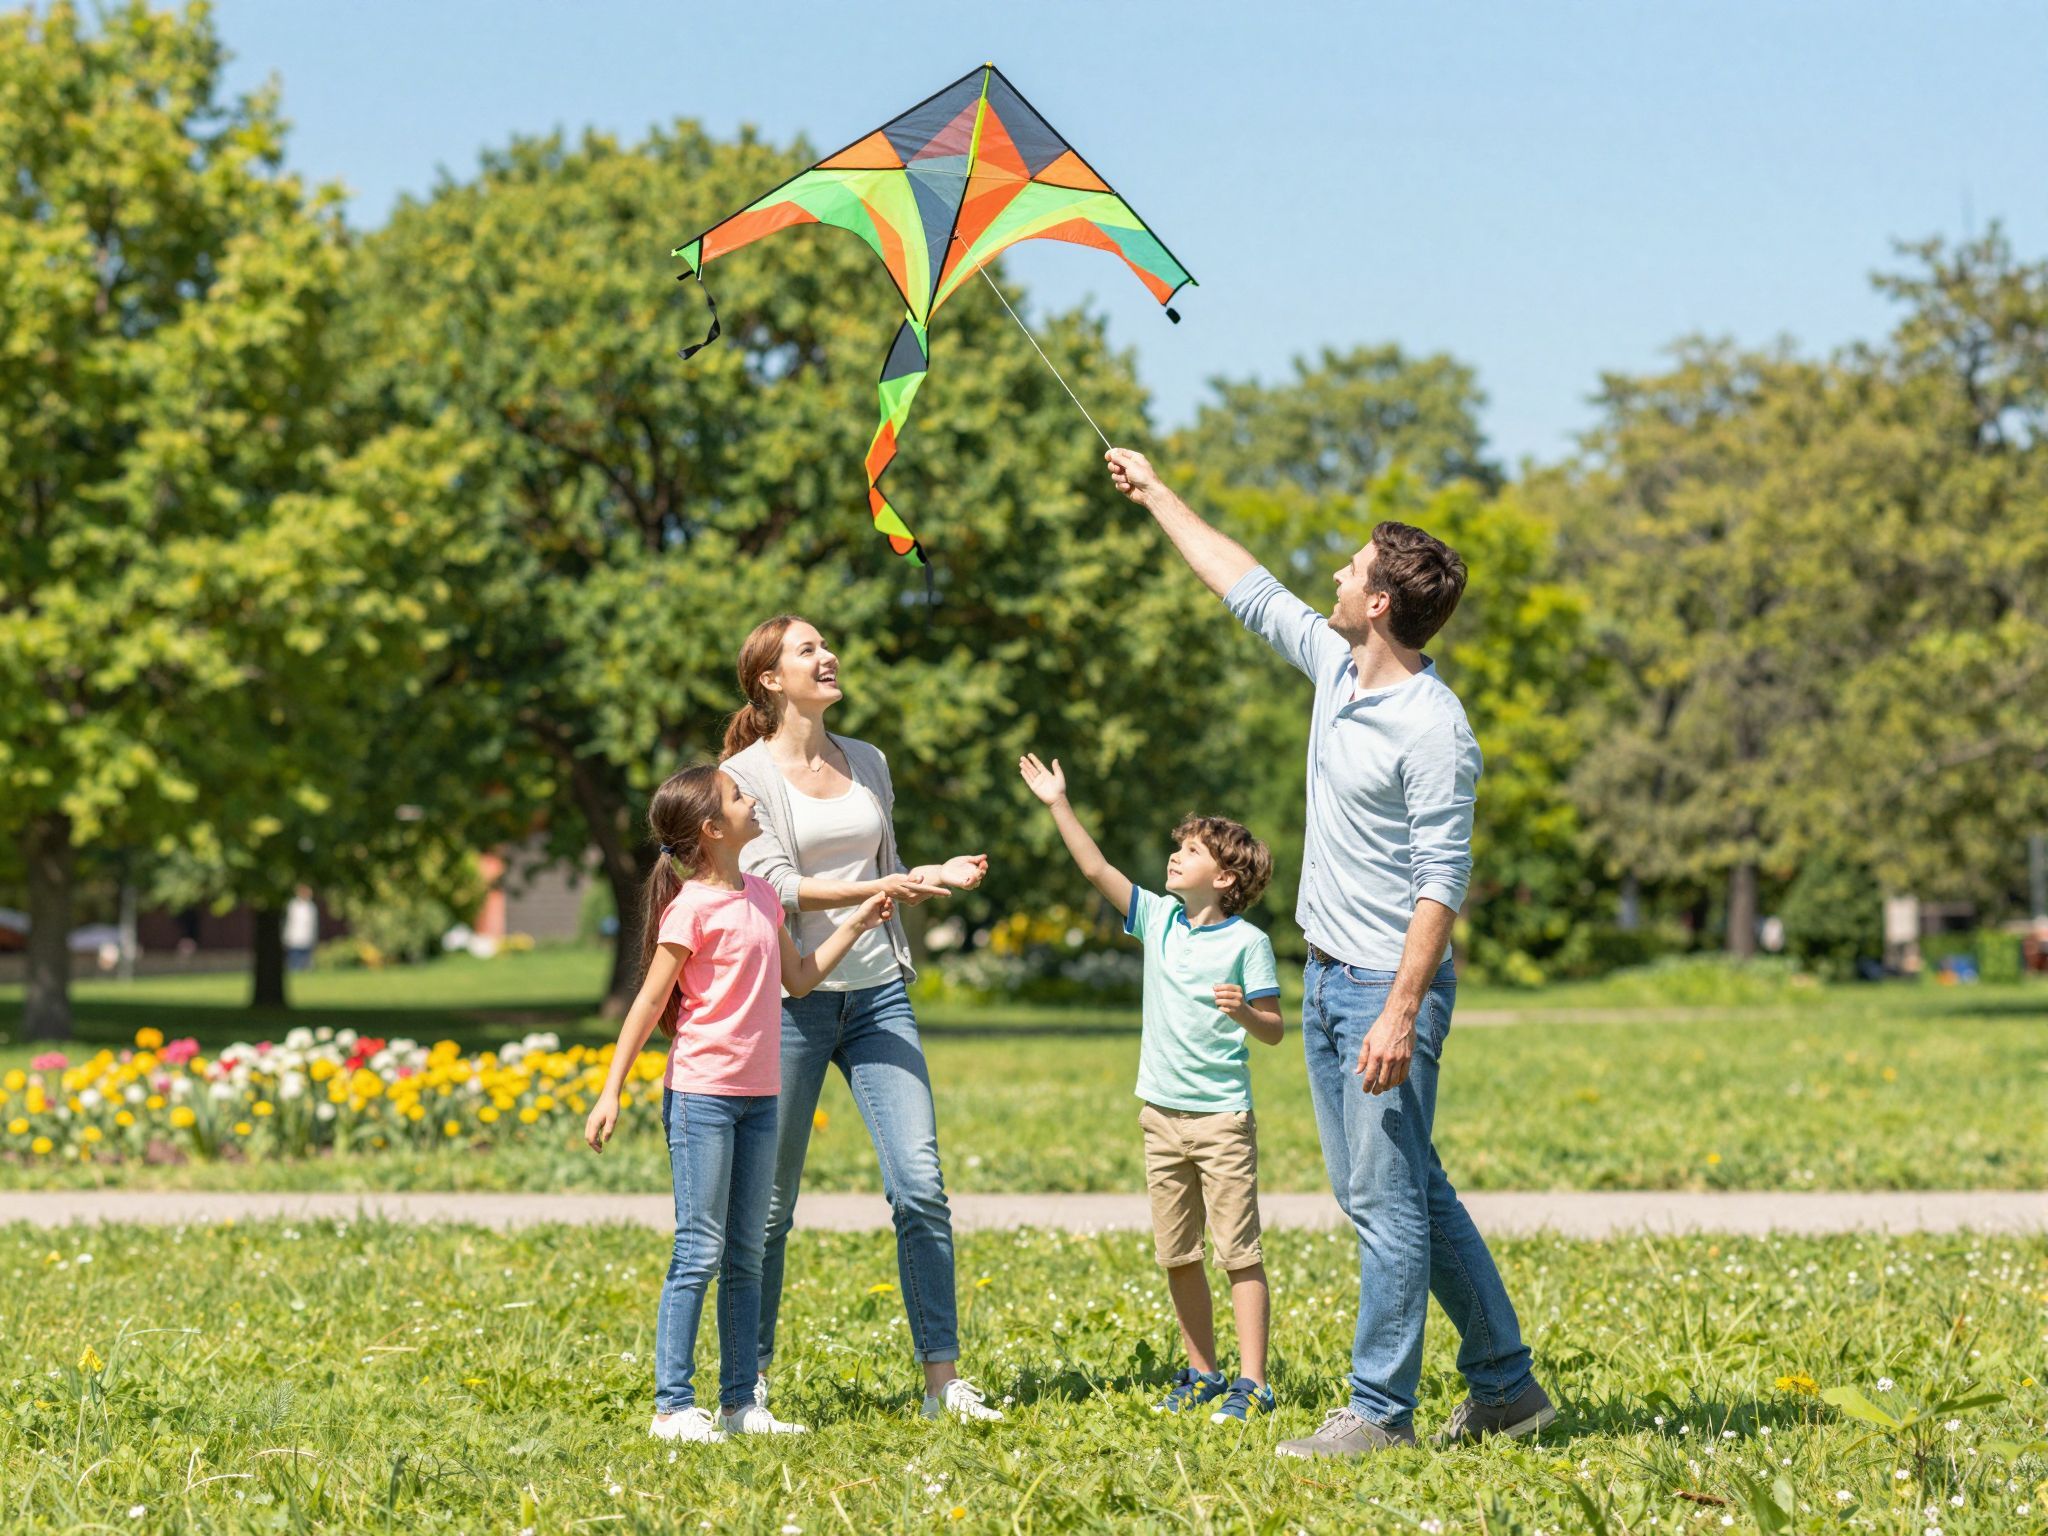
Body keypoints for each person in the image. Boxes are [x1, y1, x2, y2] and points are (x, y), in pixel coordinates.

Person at [1104, 447, 1553, 1458]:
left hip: (1384, 992)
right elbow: (1241, 581)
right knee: (1395, 1192)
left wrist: (1398, 1008)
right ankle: (1506, 1390)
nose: (1334, 579)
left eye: (1352, 571)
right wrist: (1158, 493)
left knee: (1384, 1206)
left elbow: (1442, 878)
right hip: (1324, 977)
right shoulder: (1334, 669)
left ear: (1383, 603)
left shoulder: (1434, 728)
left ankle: (1378, 1415)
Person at [719, 615, 1005, 1424]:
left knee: (920, 1186)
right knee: (769, 1206)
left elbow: (883, 867)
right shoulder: (740, 776)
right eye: (807, 649)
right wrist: (901, 883)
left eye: (825, 644)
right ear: (771, 679)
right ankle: (748, 1386)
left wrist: (925, 875)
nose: (827, 655)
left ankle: (943, 1384)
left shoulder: (868, 760)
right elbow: (774, 885)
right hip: (793, 1001)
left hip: (879, 993)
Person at [584, 764, 893, 1445]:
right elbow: (649, 1002)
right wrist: (612, 1088)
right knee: (700, 1250)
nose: (751, 800)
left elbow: (802, 979)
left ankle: (737, 1404)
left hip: (760, 1096)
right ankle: (671, 1408)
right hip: (702, 1096)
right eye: (737, 795)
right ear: (712, 828)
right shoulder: (690, 907)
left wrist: (860, 921)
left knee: (747, 1251)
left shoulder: (761, 896)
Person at [1019, 751, 1284, 1425]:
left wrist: (1244, 1013)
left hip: (1222, 1119)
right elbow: (1094, 868)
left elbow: (1277, 1029)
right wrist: (1057, 803)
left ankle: (1253, 1382)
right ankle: (1203, 1372)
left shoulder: (1248, 944)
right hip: (1160, 1117)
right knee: (1178, 1253)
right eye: (1178, 849)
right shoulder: (1158, 921)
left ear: (1223, 877)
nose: (1174, 858)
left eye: (1190, 852)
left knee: (1239, 1253)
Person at [283, 886, 319, 972]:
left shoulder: (311, 907)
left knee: (306, 964)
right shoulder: (293, 905)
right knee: (294, 963)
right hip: (295, 939)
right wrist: (286, 937)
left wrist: (314, 938)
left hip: (307, 939)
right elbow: (289, 922)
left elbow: (313, 925)